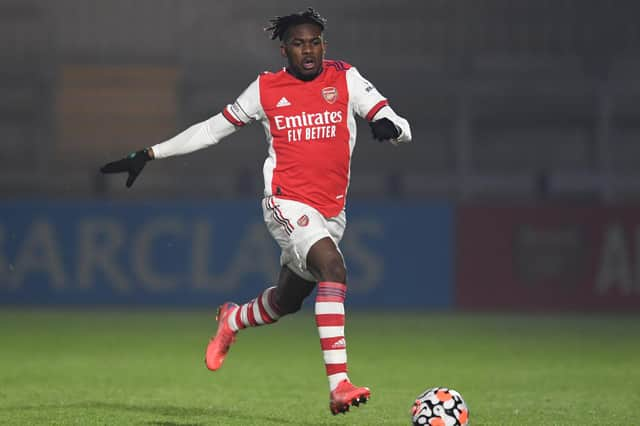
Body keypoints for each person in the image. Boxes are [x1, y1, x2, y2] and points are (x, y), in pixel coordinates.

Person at [100, 8, 411, 416]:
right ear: (284, 50)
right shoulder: (266, 89)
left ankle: (232, 319)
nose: (308, 50)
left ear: (324, 45)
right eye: (298, 44)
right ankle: (339, 386)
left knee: (286, 301)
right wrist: (151, 153)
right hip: (285, 203)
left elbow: (398, 122)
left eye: (314, 42)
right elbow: (213, 129)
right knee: (333, 269)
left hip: (331, 214)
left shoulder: (345, 78)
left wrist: (392, 128)